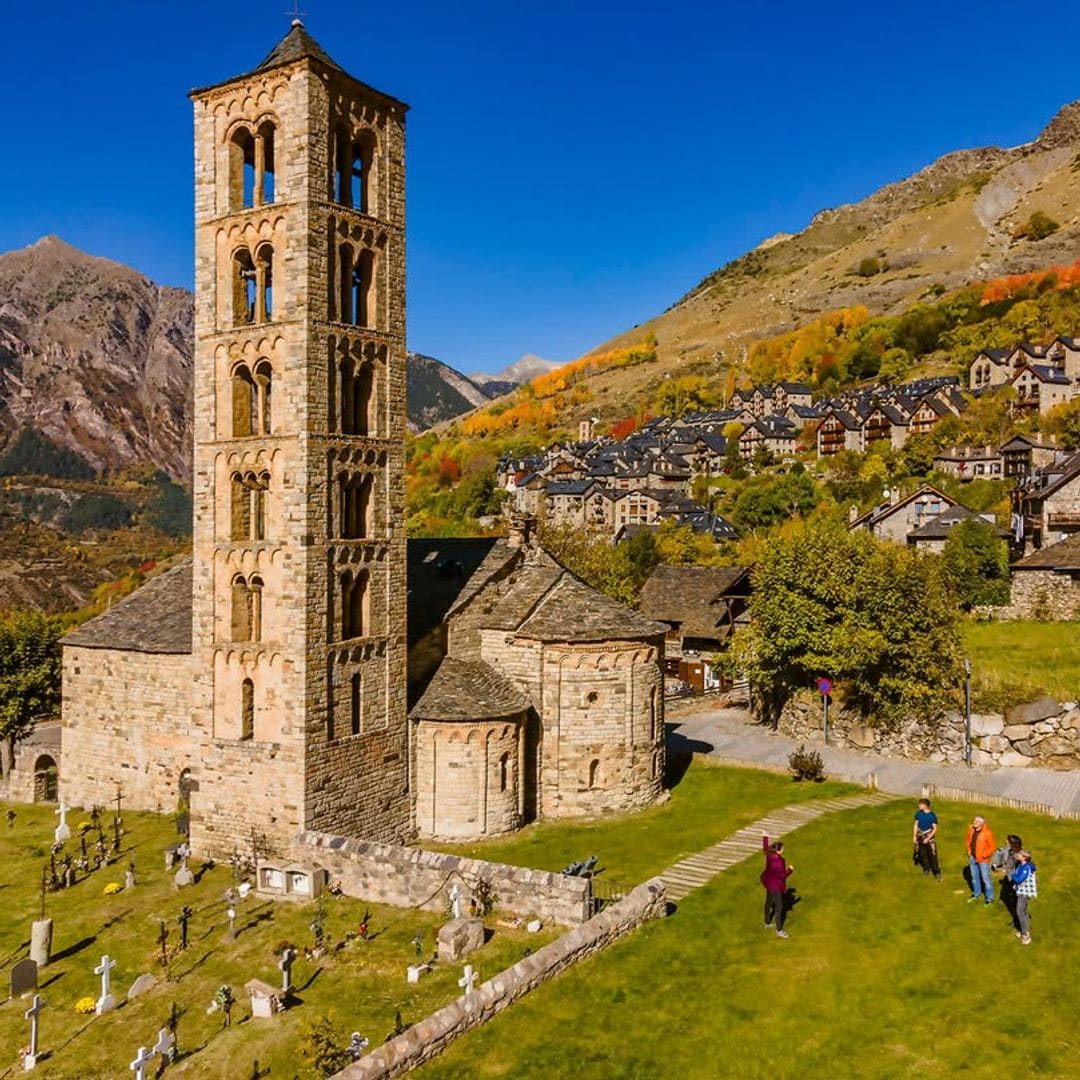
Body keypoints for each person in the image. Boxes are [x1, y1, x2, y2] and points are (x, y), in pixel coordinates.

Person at [761, 834, 794, 939]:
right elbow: (782, 876)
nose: (783, 850)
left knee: (768, 903)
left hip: (768, 883)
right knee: (779, 908)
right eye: (782, 848)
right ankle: (779, 930)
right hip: (775, 886)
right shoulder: (779, 862)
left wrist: (765, 837)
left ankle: (767, 922)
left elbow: (766, 848)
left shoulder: (770, 854)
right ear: (778, 850)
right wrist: (790, 870)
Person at [964, 815, 997, 905]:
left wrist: (984, 855)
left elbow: (992, 847)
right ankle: (976, 894)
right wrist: (969, 851)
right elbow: (968, 841)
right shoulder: (971, 829)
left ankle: (989, 899)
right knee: (974, 878)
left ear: (981, 823)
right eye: (974, 821)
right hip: (973, 857)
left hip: (983, 860)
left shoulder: (987, 833)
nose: (974, 822)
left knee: (986, 879)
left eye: (976, 821)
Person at [996, 834, 1024, 932]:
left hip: (1015, 881)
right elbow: (1003, 857)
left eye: (1007, 842)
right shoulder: (1009, 851)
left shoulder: (1019, 854)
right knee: (1012, 900)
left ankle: (1021, 926)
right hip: (1009, 880)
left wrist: (1010, 873)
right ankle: (1015, 920)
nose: (1005, 842)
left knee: (1017, 904)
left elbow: (1023, 866)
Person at [1009, 850, 1037, 945]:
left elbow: (1019, 879)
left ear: (1024, 857)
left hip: (1024, 892)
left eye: (1020, 855)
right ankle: (1024, 930)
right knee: (1024, 911)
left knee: (1020, 912)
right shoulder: (1022, 865)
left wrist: (1013, 875)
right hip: (1022, 891)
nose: (1017, 855)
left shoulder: (1026, 867)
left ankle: (1025, 936)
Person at [912, 798, 941, 880]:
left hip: (929, 837)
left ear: (925, 806)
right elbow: (916, 825)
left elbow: (935, 828)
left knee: (933, 855)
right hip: (920, 836)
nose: (918, 806)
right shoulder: (919, 813)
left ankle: (937, 872)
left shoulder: (932, 816)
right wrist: (914, 836)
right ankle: (926, 869)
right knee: (923, 854)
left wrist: (928, 838)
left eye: (920, 804)